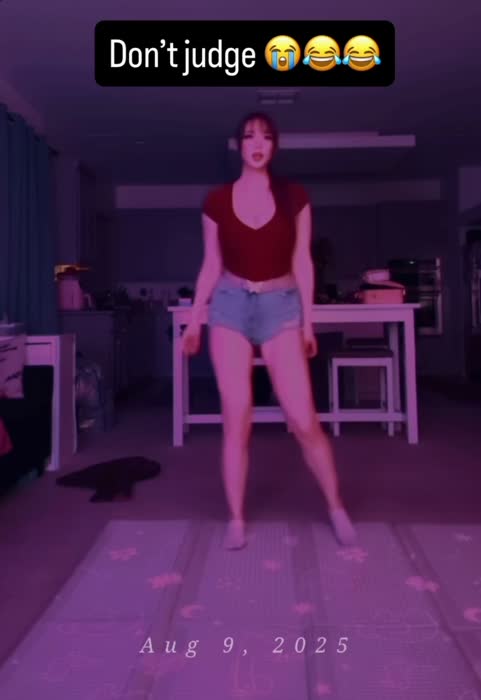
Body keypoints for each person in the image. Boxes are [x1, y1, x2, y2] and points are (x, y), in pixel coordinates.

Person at [181, 112, 357, 550]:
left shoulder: (294, 196)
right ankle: (236, 518)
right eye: (249, 136)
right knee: (236, 415)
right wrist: (195, 318)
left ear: (274, 146)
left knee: (302, 416)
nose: (257, 143)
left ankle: (336, 507)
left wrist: (309, 322)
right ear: (238, 145)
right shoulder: (216, 201)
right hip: (230, 304)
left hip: (281, 305)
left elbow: (302, 261)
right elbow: (210, 265)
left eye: (265, 137)